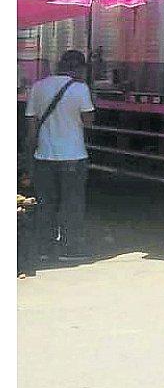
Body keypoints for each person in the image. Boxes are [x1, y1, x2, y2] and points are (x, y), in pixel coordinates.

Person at [25, 49, 96, 261]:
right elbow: (89, 121)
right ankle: (70, 248)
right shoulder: (80, 89)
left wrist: (30, 153)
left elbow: (31, 125)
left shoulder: (38, 87)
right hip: (73, 156)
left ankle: (44, 249)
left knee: (46, 203)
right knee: (71, 204)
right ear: (80, 69)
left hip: (44, 157)